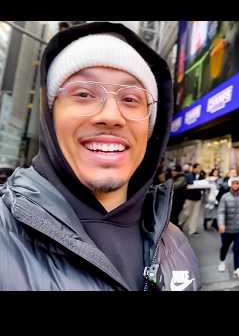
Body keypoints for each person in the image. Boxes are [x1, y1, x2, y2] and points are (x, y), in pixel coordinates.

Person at [0, 22, 200, 291]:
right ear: (50, 114)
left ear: (151, 127)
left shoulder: (176, 245)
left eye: (130, 99)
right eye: (84, 94)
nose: (111, 116)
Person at [217, 176, 239, 281]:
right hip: (227, 229)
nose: (235, 185)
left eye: (237, 183)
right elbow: (221, 211)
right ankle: (222, 261)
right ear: (230, 184)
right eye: (233, 183)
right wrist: (221, 223)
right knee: (225, 247)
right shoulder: (225, 197)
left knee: (237, 249)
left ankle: (237, 269)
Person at [179, 162, 205, 235]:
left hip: (198, 198)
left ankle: (192, 230)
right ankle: (180, 224)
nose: (199, 169)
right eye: (198, 168)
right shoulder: (188, 175)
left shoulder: (202, 176)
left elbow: (203, 185)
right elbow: (186, 185)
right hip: (189, 198)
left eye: (200, 168)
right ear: (194, 168)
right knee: (186, 213)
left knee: (195, 215)